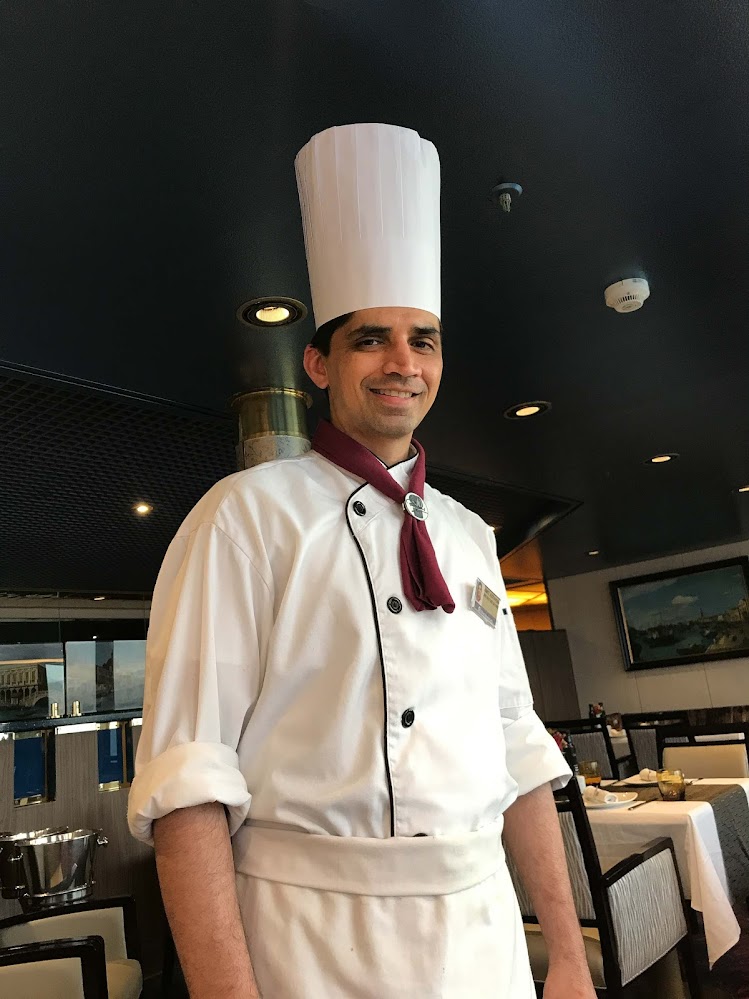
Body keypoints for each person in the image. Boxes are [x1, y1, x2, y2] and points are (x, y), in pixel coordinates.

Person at [128, 123, 596, 998]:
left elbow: (516, 749)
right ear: (316, 361)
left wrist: (565, 956)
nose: (402, 363)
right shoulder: (241, 520)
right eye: (371, 338)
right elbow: (187, 779)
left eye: (423, 340)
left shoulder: (468, 536)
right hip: (307, 944)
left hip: (480, 938)